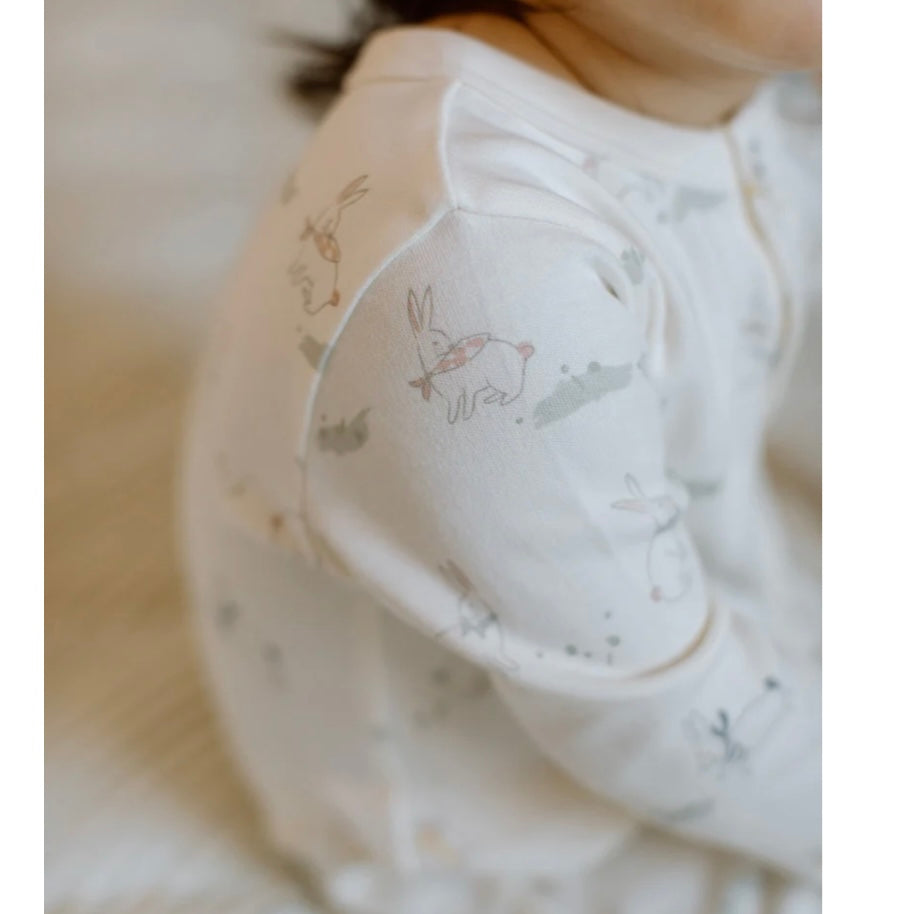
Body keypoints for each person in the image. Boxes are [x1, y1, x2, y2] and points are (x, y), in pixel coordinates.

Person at [178, 2, 822, 912]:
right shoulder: (487, 265)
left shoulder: (721, 75)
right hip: (538, 838)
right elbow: (660, 722)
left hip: (708, 631)